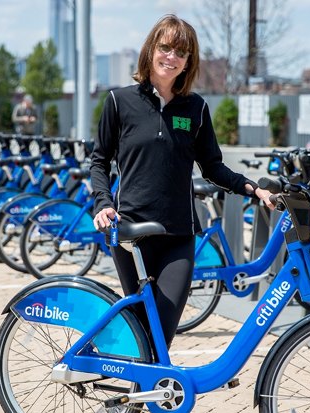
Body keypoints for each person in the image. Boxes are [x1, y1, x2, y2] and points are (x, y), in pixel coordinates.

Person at [90, 14, 274, 347]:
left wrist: (254, 189)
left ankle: (139, 379)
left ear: (188, 62)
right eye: (165, 48)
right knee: (139, 330)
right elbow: (99, 161)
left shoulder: (195, 108)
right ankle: (123, 379)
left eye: (181, 52)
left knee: (162, 333)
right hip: (131, 233)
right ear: (151, 50)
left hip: (178, 233)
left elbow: (213, 167)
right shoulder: (119, 102)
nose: (171, 57)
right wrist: (103, 204)